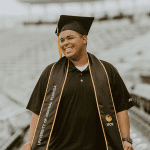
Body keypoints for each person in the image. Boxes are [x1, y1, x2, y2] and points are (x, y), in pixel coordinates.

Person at [22, 15, 134, 150]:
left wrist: (126, 139)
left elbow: (121, 108)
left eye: (70, 38)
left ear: (84, 38)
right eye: (62, 40)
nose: (64, 43)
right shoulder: (51, 72)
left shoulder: (107, 70)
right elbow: (38, 112)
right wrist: (30, 141)